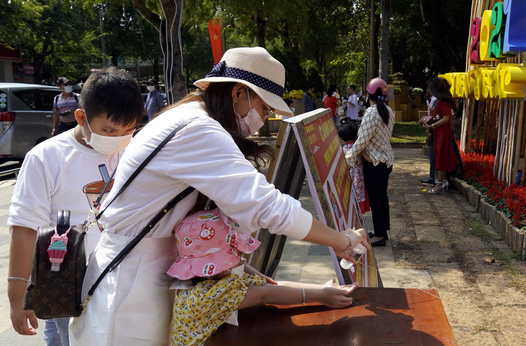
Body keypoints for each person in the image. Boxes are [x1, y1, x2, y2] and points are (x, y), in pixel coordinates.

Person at [68, 47, 368, 345]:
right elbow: (268, 207)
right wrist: (343, 241)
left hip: (144, 270)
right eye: (264, 108)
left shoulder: (188, 116)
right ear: (238, 93)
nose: (263, 119)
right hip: (131, 284)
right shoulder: (198, 129)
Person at [7, 68, 144, 346]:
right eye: (109, 130)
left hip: (123, 283)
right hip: (67, 284)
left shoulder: (135, 151)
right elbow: (24, 227)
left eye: (129, 130)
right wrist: (17, 297)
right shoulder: (46, 158)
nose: (119, 138)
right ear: (81, 117)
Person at [168, 206, 357, 345]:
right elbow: (265, 293)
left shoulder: (206, 281)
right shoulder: (210, 295)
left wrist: (322, 288)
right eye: (234, 252)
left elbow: (270, 284)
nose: (240, 257)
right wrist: (321, 296)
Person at [345, 77, 395, 247]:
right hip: (386, 161)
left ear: (368, 94)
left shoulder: (372, 113)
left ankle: (380, 236)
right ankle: (382, 232)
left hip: (373, 163)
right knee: (382, 197)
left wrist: (349, 158)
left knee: (376, 199)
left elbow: (361, 141)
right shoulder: (389, 111)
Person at [421, 77, 459, 193]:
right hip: (439, 131)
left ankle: (440, 184)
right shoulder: (439, 100)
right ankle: (442, 181)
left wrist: (432, 126)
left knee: (442, 156)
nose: (429, 91)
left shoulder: (445, 101)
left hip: (443, 132)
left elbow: (445, 118)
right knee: (438, 155)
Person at [338, 118, 369, 214]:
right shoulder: (358, 148)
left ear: (342, 138)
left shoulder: (343, 150)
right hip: (359, 180)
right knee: (358, 208)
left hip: (348, 181)